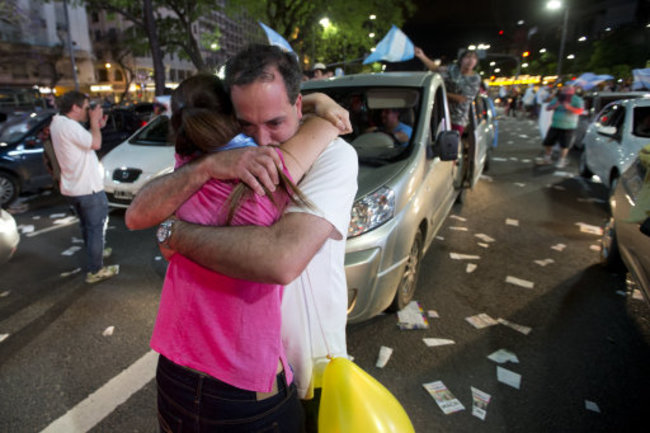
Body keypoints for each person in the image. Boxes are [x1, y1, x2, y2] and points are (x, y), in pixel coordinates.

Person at [125, 44, 359, 432]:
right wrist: (211, 164)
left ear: (297, 106)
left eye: (275, 123)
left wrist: (176, 233)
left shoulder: (332, 157)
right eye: (246, 125)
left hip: (298, 362)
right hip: (229, 373)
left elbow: (281, 259)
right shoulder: (221, 157)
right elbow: (138, 212)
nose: (262, 141)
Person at [49, 91, 118, 283]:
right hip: (88, 189)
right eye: (87, 107)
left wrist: (95, 125)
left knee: (88, 227)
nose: (89, 110)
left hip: (73, 188)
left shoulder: (58, 122)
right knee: (96, 228)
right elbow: (95, 143)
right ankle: (95, 270)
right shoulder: (70, 126)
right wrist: (95, 123)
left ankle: (96, 253)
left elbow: (84, 139)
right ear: (75, 108)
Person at [414, 47, 481, 136]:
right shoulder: (453, 69)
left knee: (449, 145)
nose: (471, 60)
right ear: (461, 59)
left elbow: (462, 99)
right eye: (468, 57)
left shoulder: (475, 78)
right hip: (438, 114)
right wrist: (421, 55)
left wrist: (440, 93)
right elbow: (436, 69)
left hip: (457, 119)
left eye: (474, 58)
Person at [537, 85, 584, 168]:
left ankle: (561, 160)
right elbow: (548, 108)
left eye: (567, 91)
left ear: (572, 92)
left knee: (565, 144)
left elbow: (580, 111)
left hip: (569, 126)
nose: (565, 93)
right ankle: (547, 158)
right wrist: (556, 105)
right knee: (548, 142)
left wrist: (569, 107)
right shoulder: (559, 98)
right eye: (564, 91)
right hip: (555, 124)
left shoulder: (577, 99)